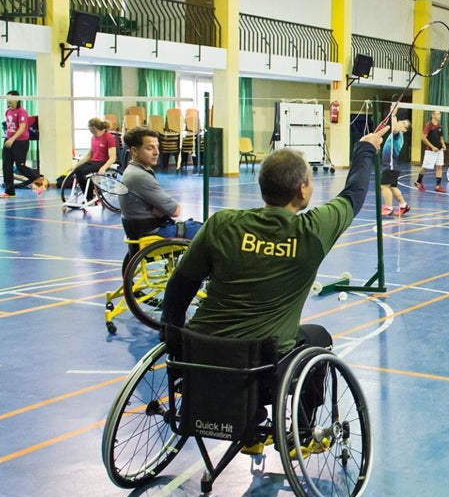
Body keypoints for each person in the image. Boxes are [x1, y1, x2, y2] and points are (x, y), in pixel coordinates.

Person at [162, 126, 388, 357]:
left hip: (201, 348)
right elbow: (353, 195)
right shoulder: (312, 231)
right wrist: (365, 148)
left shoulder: (221, 223)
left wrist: (171, 334)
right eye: (310, 181)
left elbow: (181, 282)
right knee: (318, 338)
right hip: (263, 358)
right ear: (301, 190)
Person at [120, 126, 201, 240]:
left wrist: (162, 209)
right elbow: (175, 210)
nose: (156, 152)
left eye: (157, 147)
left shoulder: (133, 170)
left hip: (142, 228)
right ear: (135, 151)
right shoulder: (139, 176)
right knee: (209, 231)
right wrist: (163, 209)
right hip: (153, 231)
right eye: (150, 148)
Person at [0, 90, 46, 198]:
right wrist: (8, 138)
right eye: (7, 99)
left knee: (20, 166)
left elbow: (21, 128)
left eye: (11, 99)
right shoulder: (7, 112)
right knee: (6, 166)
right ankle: (9, 191)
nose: (8, 101)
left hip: (20, 142)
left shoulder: (22, 112)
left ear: (17, 100)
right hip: (8, 140)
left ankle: (39, 180)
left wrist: (12, 139)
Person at [68, 118, 118, 196]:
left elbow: (113, 157)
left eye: (89, 128)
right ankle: (89, 192)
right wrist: (77, 165)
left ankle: (89, 194)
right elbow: (89, 155)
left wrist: (104, 168)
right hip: (93, 161)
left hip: (102, 162)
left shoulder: (109, 138)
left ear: (93, 128)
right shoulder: (93, 138)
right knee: (77, 170)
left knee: (81, 172)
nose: (89, 130)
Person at [380, 115, 411, 217]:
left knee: (384, 186)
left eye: (403, 123)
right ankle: (403, 205)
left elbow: (394, 128)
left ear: (404, 130)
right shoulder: (397, 135)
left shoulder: (398, 135)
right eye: (401, 121)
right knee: (392, 187)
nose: (400, 122)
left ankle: (388, 208)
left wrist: (393, 114)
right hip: (393, 165)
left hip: (390, 164)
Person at [416, 110, 446, 193]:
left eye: (440, 114)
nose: (440, 115)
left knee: (439, 166)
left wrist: (443, 144)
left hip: (439, 150)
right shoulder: (428, 125)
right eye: (438, 114)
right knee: (425, 167)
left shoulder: (440, 126)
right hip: (430, 151)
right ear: (433, 115)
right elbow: (423, 138)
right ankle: (419, 181)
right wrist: (432, 147)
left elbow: (441, 137)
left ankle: (438, 185)